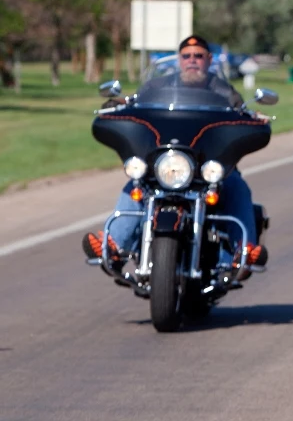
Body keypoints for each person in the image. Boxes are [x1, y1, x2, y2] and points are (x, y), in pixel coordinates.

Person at [82, 35, 267, 275]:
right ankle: (114, 245)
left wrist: (253, 117)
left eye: (198, 56)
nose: (192, 61)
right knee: (137, 183)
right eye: (187, 56)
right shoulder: (155, 87)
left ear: (209, 60)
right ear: (179, 60)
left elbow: (240, 116)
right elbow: (138, 109)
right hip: (165, 164)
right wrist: (118, 106)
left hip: (206, 168)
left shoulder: (225, 93)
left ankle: (244, 252)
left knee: (236, 185)